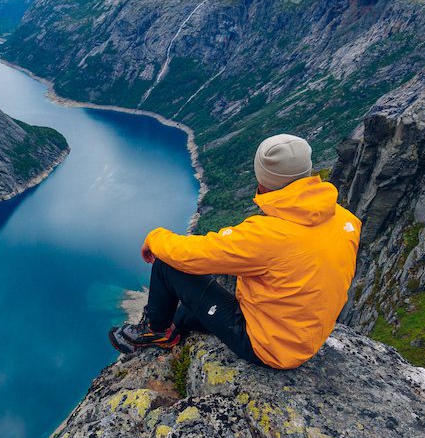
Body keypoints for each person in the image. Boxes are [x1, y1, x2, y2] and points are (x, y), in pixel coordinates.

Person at [109, 134, 361, 369]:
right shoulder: (346, 221)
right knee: (185, 312)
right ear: (307, 173)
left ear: (263, 180)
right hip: (305, 336)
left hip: (268, 347)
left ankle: (157, 331)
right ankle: (175, 331)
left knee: (167, 264)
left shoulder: (267, 235)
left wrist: (155, 237)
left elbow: (193, 254)